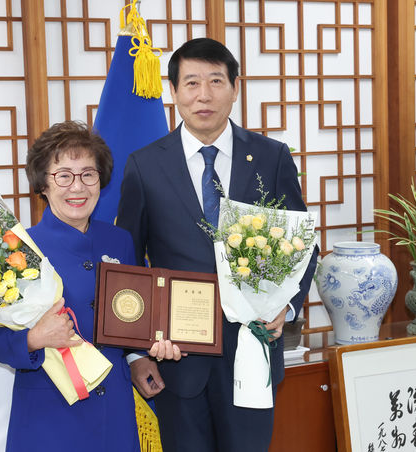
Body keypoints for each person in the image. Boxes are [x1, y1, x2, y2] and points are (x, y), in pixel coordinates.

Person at [116, 38, 319, 452]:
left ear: (235, 87)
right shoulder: (145, 164)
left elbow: (302, 247)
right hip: (177, 361)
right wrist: (137, 354)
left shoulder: (270, 157)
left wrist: (289, 306)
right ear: (173, 92)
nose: (203, 95)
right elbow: (131, 262)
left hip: (253, 351)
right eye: (190, 83)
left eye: (215, 81)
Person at [0, 120, 179, 452]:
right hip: (50, 416)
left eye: (89, 174)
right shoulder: (17, 248)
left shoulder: (118, 240)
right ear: (43, 183)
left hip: (114, 412)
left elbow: (133, 315)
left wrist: (137, 358)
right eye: (64, 176)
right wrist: (33, 338)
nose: (78, 187)